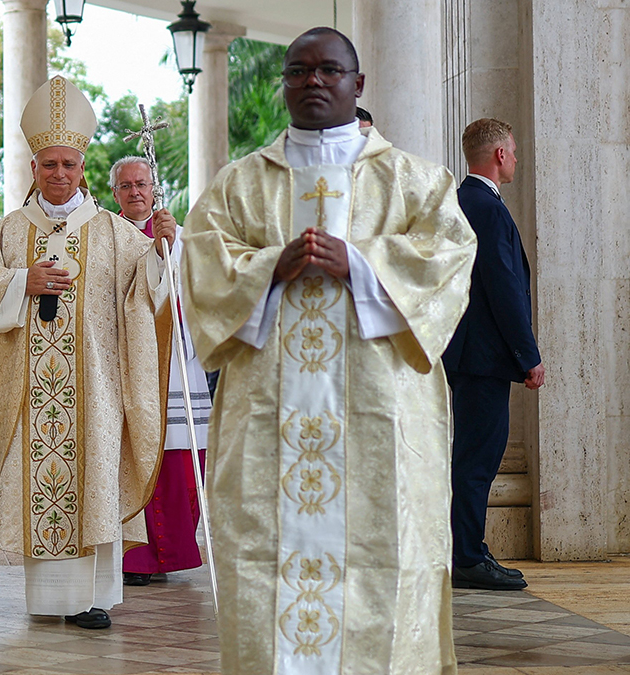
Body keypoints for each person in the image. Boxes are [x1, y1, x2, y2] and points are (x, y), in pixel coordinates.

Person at [181, 28, 477, 673]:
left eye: (329, 70)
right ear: (283, 82)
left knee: (386, 557)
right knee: (262, 559)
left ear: (357, 83)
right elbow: (202, 264)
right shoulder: (240, 185)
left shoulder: (415, 181)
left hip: (378, 419)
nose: (313, 81)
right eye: (298, 71)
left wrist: (362, 263)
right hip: (268, 427)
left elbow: (449, 259)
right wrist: (268, 268)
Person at [0, 75, 172, 630]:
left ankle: (95, 598)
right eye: (48, 165)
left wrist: (163, 250)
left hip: (94, 392)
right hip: (29, 391)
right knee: (38, 483)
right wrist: (21, 281)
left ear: (82, 169)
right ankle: (51, 600)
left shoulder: (115, 233)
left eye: (68, 165)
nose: (58, 174)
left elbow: (149, 293)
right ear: (34, 170)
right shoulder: (8, 231)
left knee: (91, 482)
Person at [443, 118, 541, 591]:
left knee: (471, 455)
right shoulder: (486, 207)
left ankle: (469, 550)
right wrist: (528, 354)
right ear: (499, 154)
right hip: (482, 356)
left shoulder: (462, 201)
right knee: (478, 457)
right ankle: (467, 556)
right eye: (515, 151)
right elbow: (504, 289)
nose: (517, 159)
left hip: (467, 354)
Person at [109, 157, 209, 587]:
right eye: (126, 185)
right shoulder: (104, 237)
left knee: (177, 459)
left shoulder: (180, 237)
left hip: (172, 363)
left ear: (154, 188)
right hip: (122, 366)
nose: (135, 192)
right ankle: (135, 556)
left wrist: (171, 250)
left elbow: (203, 294)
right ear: (114, 192)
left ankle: (170, 552)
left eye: (142, 184)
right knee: (127, 457)